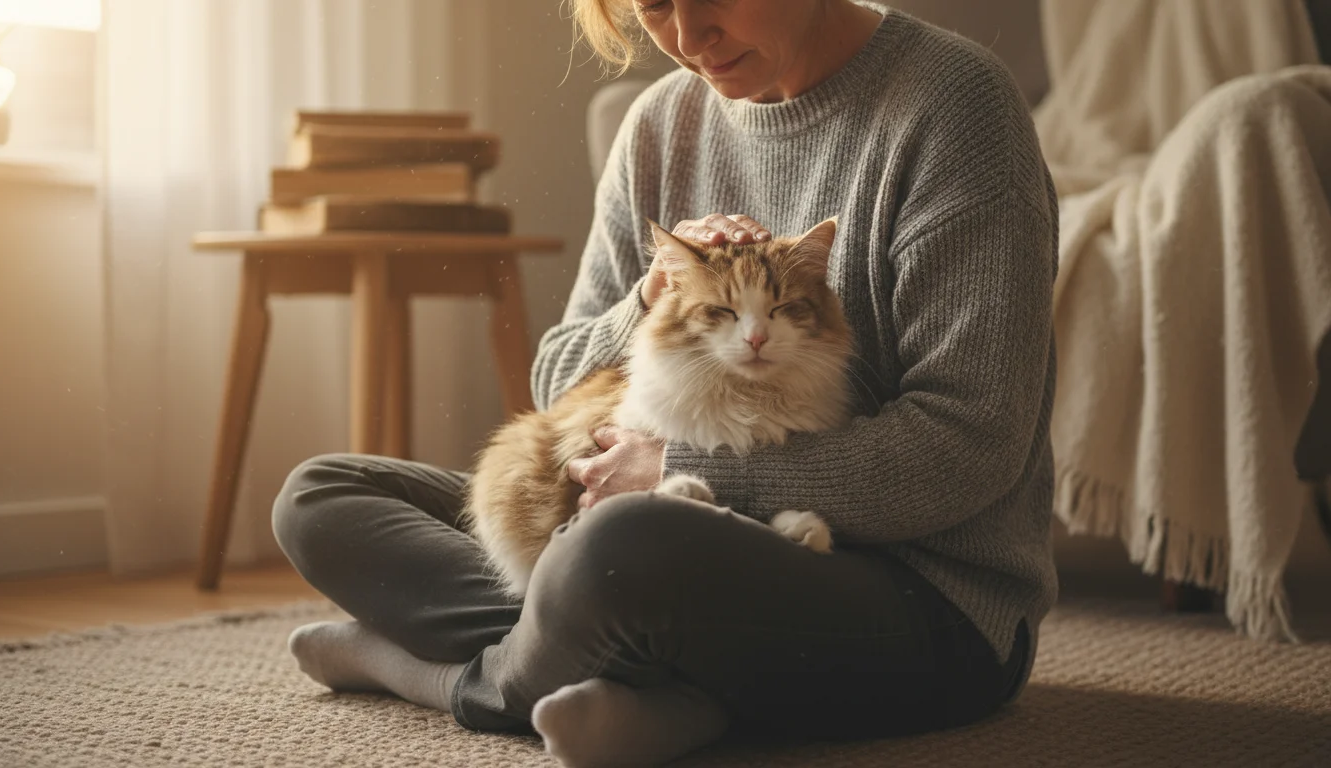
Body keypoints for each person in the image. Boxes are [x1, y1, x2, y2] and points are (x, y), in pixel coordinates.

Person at [272, 1, 1059, 765]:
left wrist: (680, 472)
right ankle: (649, 683)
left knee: (618, 548)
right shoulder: (658, 123)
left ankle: (422, 668)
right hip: (659, 549)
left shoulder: (955, 108)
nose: (688, 36)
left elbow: (970, 447)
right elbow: (556, 379)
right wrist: (649, 296)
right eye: (653, 6)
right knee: (321, 495)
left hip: (924, 600)